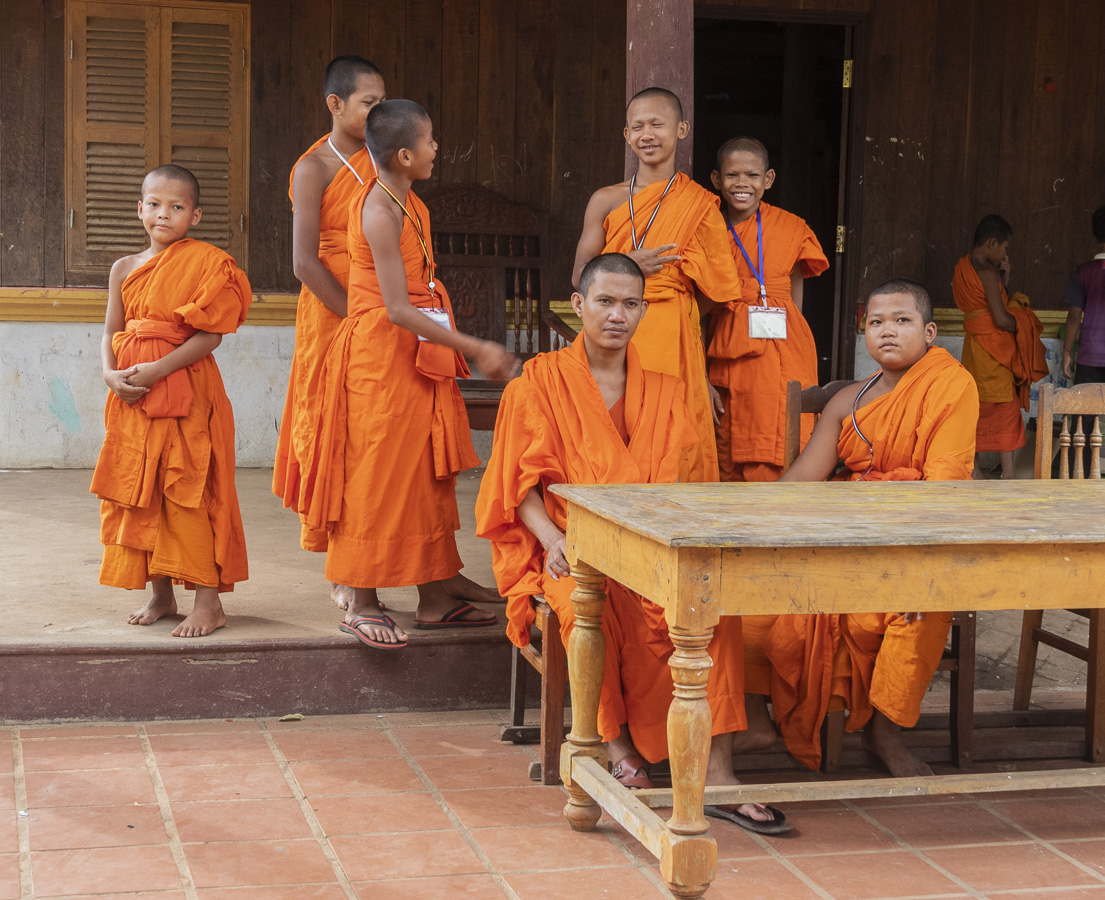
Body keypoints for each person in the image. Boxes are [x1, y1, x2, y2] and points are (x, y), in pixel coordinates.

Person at [476, 252, 791, 835]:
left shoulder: (668, 391)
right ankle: (616, 745)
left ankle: (717, 771)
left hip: (647, 546)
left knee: (708, 612)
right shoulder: (539, 383)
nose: (616, 315)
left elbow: (686, 488)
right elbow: (514, 486)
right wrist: (550, 539)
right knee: (581, 606)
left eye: (629, 304)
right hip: (572, 544)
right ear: (579, 306)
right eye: (605, 302)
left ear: (644, 311)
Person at [298, 100, 517, 650]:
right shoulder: (379, 210)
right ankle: (364, 601)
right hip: (379, 354)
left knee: (421, 469)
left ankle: (436, 596)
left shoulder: (410, 200)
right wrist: (476, 347)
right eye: (431, 141)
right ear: (404, 154)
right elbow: (395, 307)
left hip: (414, 354)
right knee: (374, 472)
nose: (437, 149)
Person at [742, 279, 979, 777]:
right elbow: (800, 483)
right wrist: (748, 534)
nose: (887, 331)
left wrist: (919, 558)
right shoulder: (847, 400)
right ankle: (753, 720)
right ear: (863, 332)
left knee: (920, 608)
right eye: (875, 323)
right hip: (845, 543)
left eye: (902, 320)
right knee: (749, 609)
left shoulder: (951, 385)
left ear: (930, 331)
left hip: (915, 540)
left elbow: (945, 490)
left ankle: (885, 731)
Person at [90, 165, 252, 638]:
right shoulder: (124, 268)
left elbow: (211, 336)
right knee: (144, 488)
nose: (165, 214)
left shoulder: (208, 262)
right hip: (133, 396)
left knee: (192, 486)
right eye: (155, 204)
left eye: (177, 207)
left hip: (187, 392)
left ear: (195, 215)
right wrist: (108, 373)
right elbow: (110, 333)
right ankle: (161, 593)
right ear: (139, 208)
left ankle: (208, 601)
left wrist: (159, 369)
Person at [571, 87, 741, 483]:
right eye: (638, 126)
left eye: (657, 124)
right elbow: (579, 274)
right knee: (611, 424)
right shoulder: (606, 199)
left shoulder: (700, 203)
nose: (647, 134)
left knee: (667, 432)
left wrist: (679, 319)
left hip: (673, 336)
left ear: (681, 129)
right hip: (610, 327)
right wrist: (628, 265)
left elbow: (718, 288)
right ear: (626, 136)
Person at [272, 56, 385, 611]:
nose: (378, 113)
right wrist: (355, 315)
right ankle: (341, 568)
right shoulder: (314, 167)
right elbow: (303, 262)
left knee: (369, 439)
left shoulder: (383, 158)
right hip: (333, 310)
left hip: (377, 307)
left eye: (383, 103)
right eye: (368, 103)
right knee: (332, 433)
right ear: (335, 104)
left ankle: (367, 558)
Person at [706, 136, 829, 482]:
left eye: (752, 176)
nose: (742, 184)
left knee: (779, 433)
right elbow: (698, 305)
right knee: (728, 441)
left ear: (768, 180)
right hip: (727, 346)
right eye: (732, 176)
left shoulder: (790, 227)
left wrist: (788, 344)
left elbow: (792, 295)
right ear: (717, 180)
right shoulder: (708, 229)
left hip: (784, 351)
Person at [952, 214, 1047, 479]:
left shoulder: (964, 269)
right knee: (1005, 408)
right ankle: (1009, 472)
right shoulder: (986, 273)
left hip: (974, 349)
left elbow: (983, 308)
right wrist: (1026, 323)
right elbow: (1002, 319)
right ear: (993, 243)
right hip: (994, 353)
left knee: (976, 406)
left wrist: (1005, 277)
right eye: (1005, 248)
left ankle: (974, 468)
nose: (1005, 253)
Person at [1061, 205, 1105, 473]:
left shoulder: (1084, 272)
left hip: (1089, 356)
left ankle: (1076, 473)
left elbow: (1074, 317)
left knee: (1083, 420)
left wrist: (1067, 351)